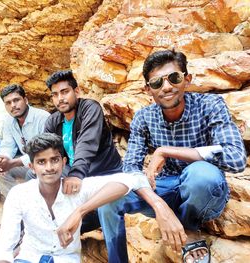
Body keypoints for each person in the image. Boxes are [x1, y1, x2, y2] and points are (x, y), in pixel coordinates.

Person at [96, 49, 247, 263]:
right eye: (157, 83)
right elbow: (130, 169)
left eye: (174, 78)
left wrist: (165, 150)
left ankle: (189, 227)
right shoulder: (144, 117)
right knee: (108, 199)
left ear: (187, 79)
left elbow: (236, 158)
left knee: (201, 174)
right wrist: (159, 206)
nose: (166, 87)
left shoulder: (211, 106)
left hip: (202, 191)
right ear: (148, 89)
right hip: (164, 189)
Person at [0, 133, 151, 263]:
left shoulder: (76, 188)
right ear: (31, 167)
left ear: (63, 162)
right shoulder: (19, 194)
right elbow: (4, 245)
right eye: (41, 162)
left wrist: (80, 211)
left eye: (54, 160)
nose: (49, 168)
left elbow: (129, 180)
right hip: (29, 257)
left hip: (65, 258)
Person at [44, 70, 123, 233]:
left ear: (77, 92)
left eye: (65, 92)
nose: (60, 98)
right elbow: (48, 153)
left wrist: (75, 174)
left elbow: (87, 143)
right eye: (55, 94)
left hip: (103, 174)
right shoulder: (53, 121)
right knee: (37, 180)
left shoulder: (89, 108)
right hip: (76, 175)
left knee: (73, 222)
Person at [0, 84, 50, 197]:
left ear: (25, 100)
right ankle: (17, 203)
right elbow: (7, 145)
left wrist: (13, 163)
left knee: (31, 173)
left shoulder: (43, 118)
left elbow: (44, 152)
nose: (13, 105)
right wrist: (3, 159)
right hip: (26, 163)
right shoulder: (8, 120)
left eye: (16, 100)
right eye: (8, 103)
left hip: (45, 163)